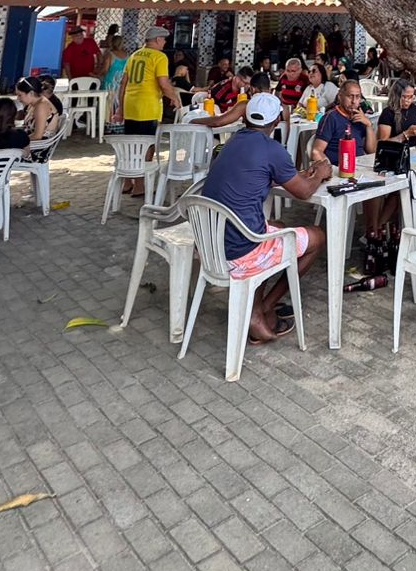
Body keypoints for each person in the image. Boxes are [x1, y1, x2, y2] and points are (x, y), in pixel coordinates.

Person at [201, 92, 330, 344]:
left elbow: (262, 174)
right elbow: (303, 192)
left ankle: (256, 306)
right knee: (317, 237)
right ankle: (261, 311)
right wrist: (320, 173)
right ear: (275, 123)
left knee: (278, 226)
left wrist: (303, 174)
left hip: (211, 244)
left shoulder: (232, 142)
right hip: (240, 251)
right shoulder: (272, 148)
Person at [117, 29, 185, 195]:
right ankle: (139, 185)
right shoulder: (159, 57)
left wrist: (120, 107)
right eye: (163, 40)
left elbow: (123, 83)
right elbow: (163, 82)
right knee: (148, 146)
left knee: (131, 145)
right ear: (157, 39)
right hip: (148, 106)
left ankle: (127, 182)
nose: (164, 43)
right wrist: (174, 97)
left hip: (131, 104)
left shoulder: (134, 55)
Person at [310, 78, 377, 170]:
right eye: (350, 96)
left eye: (357, 97)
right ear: (340, 96)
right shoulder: (331, 117)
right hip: (338, 168)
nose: (354, 101)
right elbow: (316, 151)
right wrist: (330, 170)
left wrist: (368, 125)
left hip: (360, 167)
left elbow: (371, 151)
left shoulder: (360, 118)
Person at [377, 77, 416, 144]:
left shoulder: (413, 108)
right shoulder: (388, 113)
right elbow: (382, 143)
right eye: (404, 97)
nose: (407, 100)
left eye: (411, 97)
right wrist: (406, 134)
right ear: (397, 96)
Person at [15, 78, 61, 148]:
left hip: (38, 147)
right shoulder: (34, 103)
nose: (18, 99)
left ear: (31, 93)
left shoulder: (41, 106)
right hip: (30, 143)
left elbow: (37, 136)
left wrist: (14, 142)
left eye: (20, 95)